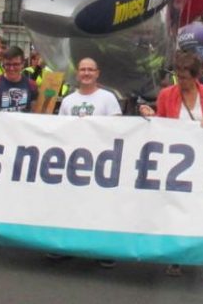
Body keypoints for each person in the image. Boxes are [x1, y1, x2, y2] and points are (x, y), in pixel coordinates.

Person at [139, 50, 203, 281]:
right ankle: (176, 258)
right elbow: (162, 123)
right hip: (175, 163)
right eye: (178, 76)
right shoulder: (166, 94)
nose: (181, 81)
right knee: (175, 210)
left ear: (196, 76)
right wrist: (150, 114)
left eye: (185, 77)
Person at [56, 57, 121, 267]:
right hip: (73, 162)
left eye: (90, 70)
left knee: (100, 208)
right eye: (82, 70)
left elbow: (117, 129)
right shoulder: (68, 101)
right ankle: (66, 247)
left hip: (100, 163)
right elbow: (59, 130)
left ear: (97, 73)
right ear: (77, 74)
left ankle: (103, 250)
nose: (86, 73)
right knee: (70, 206)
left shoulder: (108, 98)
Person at [0, 46, 38, 113]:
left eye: (15, 64)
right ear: (3, 64)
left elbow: (35, 113)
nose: (11, 68)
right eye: (8, 64)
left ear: (22, 64)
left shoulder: (31, 85)